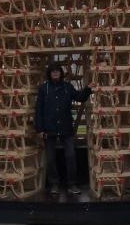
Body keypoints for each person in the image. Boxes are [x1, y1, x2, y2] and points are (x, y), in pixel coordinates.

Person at [34, 63, 91, 195]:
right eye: (53, 72)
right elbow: (39, 110)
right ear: (49, 73)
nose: (55, 73)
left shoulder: (67, 87)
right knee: (50, 158)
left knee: (70, 156)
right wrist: (40, 129)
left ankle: (72, 184)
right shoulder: (44, 89)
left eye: (57, 71)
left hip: (66, 127)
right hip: (49, 128)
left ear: (60, 73)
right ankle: (54, 184)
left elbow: (80, 97)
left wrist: (87, 89)